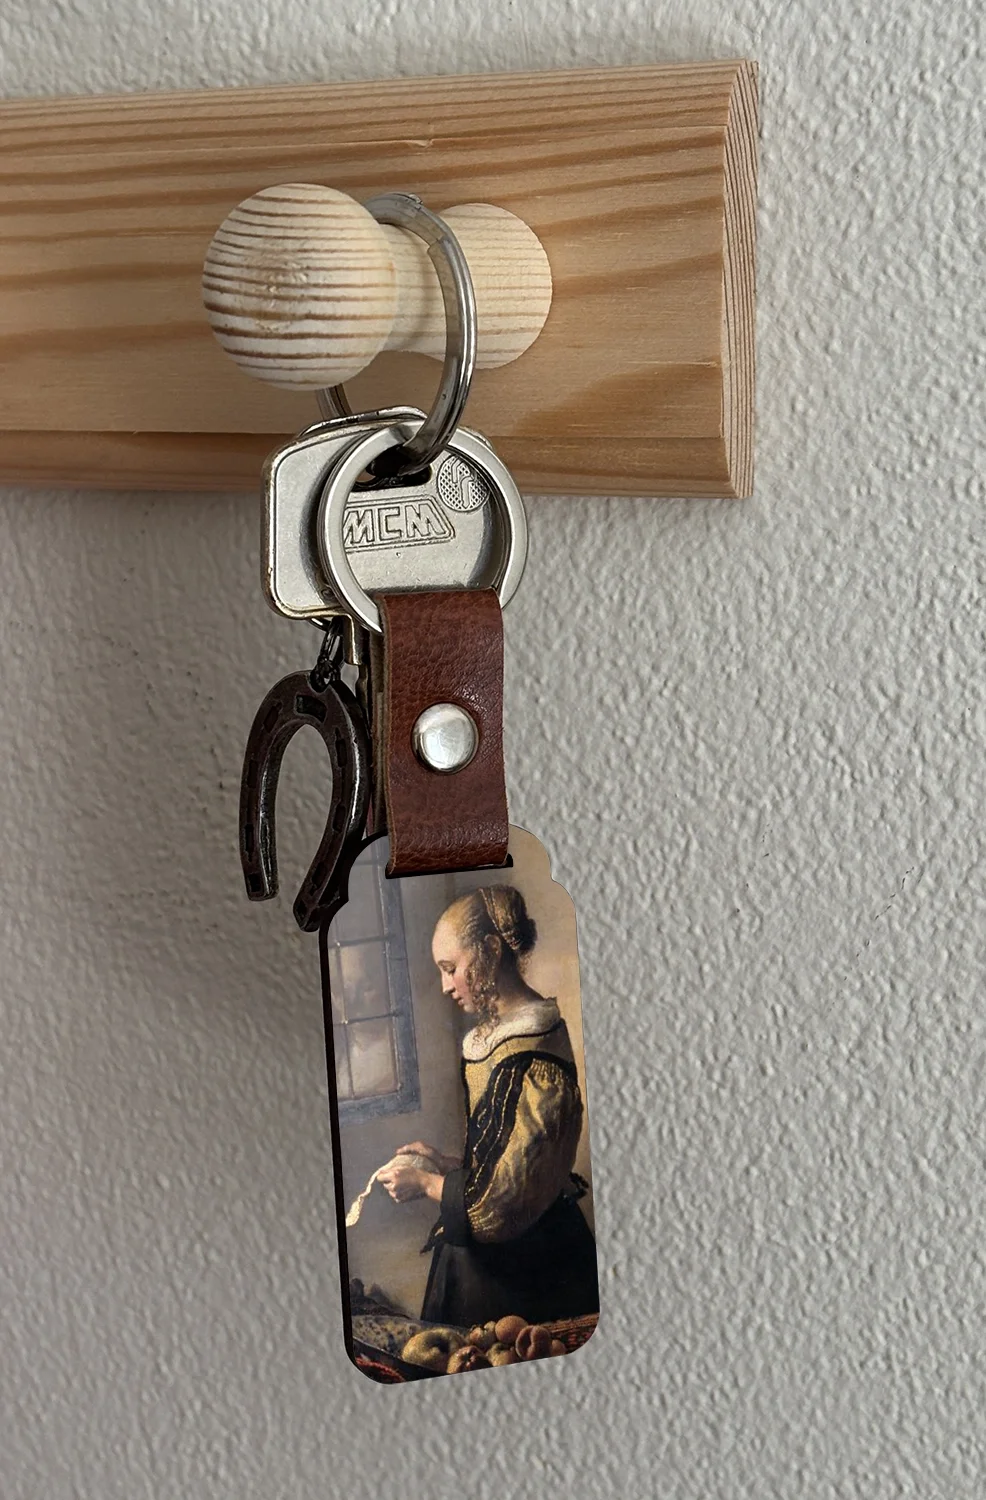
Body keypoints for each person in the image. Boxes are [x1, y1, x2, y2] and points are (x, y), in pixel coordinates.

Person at [376, 885, 599, 1328]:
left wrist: (426, 1183)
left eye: (450, 969)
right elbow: (502, 1154)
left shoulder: (535, 1052)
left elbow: (499, 1206)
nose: (445, 986)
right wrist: (447, 1163)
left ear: (492, 951)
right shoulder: (495, 1039)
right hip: (491, 1258)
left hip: (524, 1269)